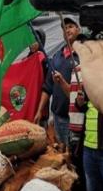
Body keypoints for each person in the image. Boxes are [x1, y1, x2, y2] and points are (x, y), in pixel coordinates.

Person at [34, 16, 81, 145]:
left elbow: (80, 95)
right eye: (64, 28)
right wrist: (39, 111)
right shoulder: (56, 57)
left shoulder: (84, 56)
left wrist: (62, 82)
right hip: (57, 117)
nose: (67, 30)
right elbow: (47, 87)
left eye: (70, 27)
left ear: (79, 29)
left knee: (73, 158)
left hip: (75, 120)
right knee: (59, 156)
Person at [73, 40, 103, 162]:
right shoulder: (89, 70)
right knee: (91, 181)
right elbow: (87, 106)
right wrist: (81, 104)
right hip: (89, 144)